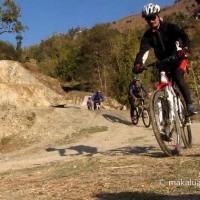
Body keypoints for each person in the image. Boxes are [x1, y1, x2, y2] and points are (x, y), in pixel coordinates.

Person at [132, 3, 197, 116]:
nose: (151, 21)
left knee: (177, 76)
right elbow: (143, 51)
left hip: (178, 58)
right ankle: (167, 119)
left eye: (153, 17)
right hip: (163, 63)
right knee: (163, 83)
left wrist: (185, 48)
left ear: (158, 15)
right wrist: (138, 64)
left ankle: (189, 105)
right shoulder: (147, 36)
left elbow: (183, 36)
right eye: (148, 19)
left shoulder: (170, 27)